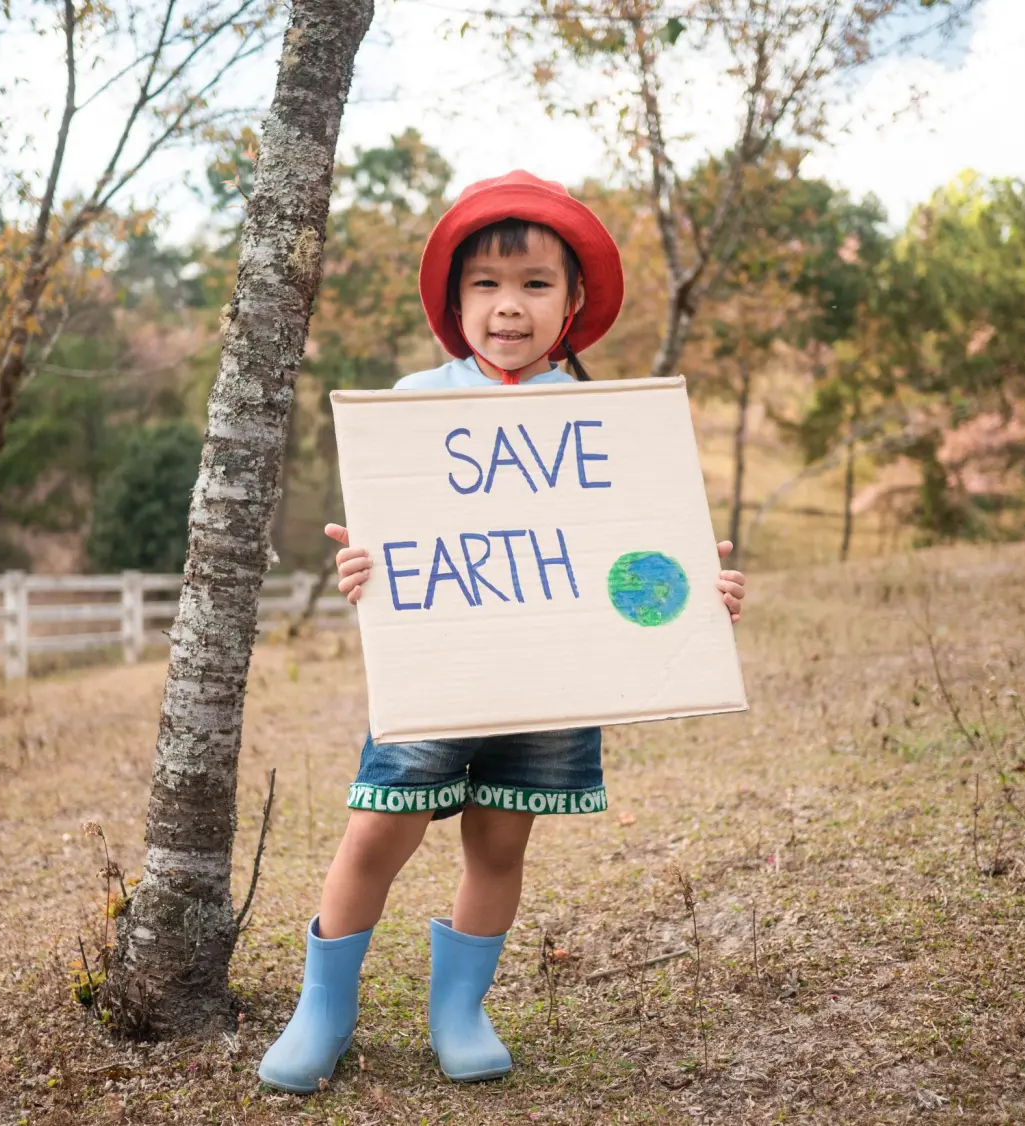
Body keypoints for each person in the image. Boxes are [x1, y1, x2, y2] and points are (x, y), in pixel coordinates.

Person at [257, 171, 747, 1093]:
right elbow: (391, 542)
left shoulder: (602, 421)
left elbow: (642, 563)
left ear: (572, 304)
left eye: (533, 285)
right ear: (455, 303)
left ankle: (459, 1011)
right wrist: (361, 570)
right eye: (485, 284)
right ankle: (322, 1009)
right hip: (437, 671)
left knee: (499, 841)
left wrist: (694, 588)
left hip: (555, 679)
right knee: (375, 833)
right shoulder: (415, 400)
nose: (509, 307)